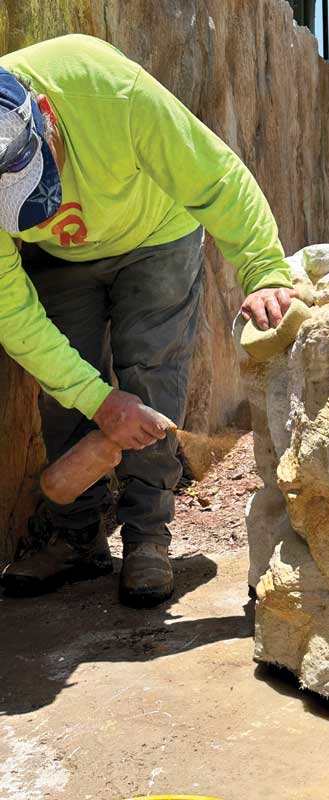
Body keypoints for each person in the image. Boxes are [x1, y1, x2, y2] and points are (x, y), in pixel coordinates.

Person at [0, 34, 298, 606]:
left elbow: (214, 176)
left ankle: (147, 537)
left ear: (42, 114)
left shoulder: (108, 90)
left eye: (37, 183)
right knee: (65, 387)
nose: (46, 205)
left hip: (157, 233)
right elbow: (14, 313)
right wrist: (99, 403)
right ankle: (76, 538)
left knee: (152, 373)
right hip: (60, 258)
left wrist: (264, 270)